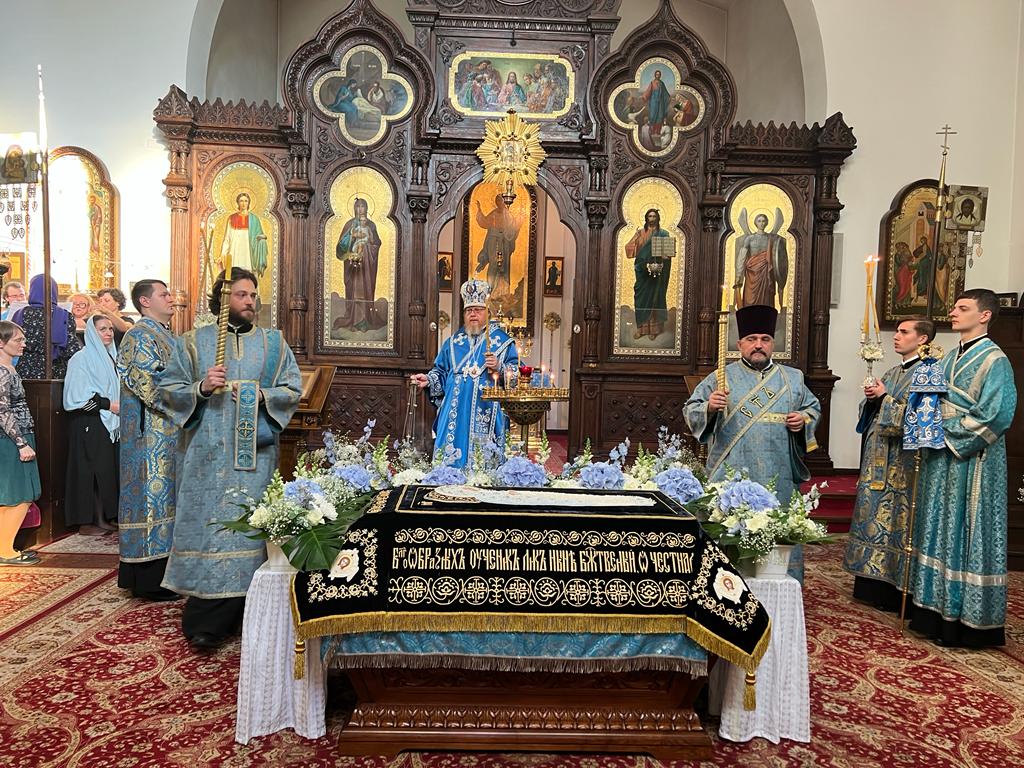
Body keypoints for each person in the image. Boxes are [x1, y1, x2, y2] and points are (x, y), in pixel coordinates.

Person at [159, 267, 301, 651]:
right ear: (222, 300)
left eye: (253, 295)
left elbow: (292, 388)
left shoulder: (273, 344)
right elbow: (167, 391)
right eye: (241, 295)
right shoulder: (193, 343)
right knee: (211, 533)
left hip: (254, 458)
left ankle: (250, 613)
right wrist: (202, 387)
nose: (250, 301)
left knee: (250, 531)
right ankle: (205, 621)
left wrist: (263, 396)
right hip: (205, 458)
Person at [910, 289, 1017, 647]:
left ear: (985, 316)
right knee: (939, 525)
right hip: (941, 456)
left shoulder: (995, 360)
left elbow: (997, 414)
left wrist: (945, 430)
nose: (953, 313)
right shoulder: (946, 358)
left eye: (963, 308)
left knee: (968, 529)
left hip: (973, 459)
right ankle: (933, 611)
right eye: (954, 307)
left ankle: (965, 622)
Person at [683, 304, 820, 580]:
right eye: (751, 339)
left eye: (765, 339)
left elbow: (812, 408)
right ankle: (726, 585)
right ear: (740, 344)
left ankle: (778, 583)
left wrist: (803, 420)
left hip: (779, 470)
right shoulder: (720, 377)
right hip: (732, 471)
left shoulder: (793, 378)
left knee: (777, 532)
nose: (758, 345)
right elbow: (690, 409)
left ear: (772, 344)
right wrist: (709, 407)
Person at [843, 317, 935, 610]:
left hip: (903, 465)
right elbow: (872, 411)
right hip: (877, 459)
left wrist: (884, 399)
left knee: (897, 521)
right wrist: (872, 400)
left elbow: (920, 420)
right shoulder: (893, 371)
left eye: (904, 332)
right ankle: (870, 586)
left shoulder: (928, 373)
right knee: (871, 515)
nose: (896, 336)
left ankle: (894, 590)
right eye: (896, 331)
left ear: (922, 339)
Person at [117, 279, 181, 601]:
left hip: (171, 433)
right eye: (164, 294)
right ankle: (148, 580)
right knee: (149, 501)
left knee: (167, 500)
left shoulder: (167, 335)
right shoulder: (139, 335)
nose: (171, 298)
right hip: (149, 437)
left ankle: (168, 574)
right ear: (145, 301)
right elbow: (150, 385)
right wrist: (193, 396)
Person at [411, 279, 518, 468]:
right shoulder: (453, 342)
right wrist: (428, 379)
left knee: (484, 466)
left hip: (486, 410)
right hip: (455, 412)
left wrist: (500, 367)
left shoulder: (502, 342)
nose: (473, 314)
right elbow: (440, 371)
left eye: (478, 309)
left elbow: (518, 375)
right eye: (469, 310)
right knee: (450, 463)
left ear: (488, 312)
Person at [63, 315, 120, 535]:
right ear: (91, 332)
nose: (108, 333)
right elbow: (76, 398)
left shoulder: (110, 357)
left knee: (104, 471)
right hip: (88, 421)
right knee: (89, 472)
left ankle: (103, 517)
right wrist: (109, 405)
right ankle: (86, 522)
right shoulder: (81, 358)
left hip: (107, 421)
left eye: (110, 329)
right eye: (102, 329)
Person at [0, 321, 41, 566]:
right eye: (18, 340)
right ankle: (5, 550)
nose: (24, 344)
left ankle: (6, 547)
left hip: (15, 436)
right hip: (12, 438)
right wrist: (21, 443)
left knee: (14, 495)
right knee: (21, 494)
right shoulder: (2, 371)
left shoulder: (8, 368)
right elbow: (2, 410)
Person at [12, 274, 82, 380]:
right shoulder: (63, 315)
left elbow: (11, 344)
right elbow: (71, 348)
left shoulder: (20, 314)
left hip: (25, 370)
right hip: (54, 371)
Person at [334, 197, 383, 332]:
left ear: (367, 209)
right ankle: (353, 320)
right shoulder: (349, 225)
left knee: (365, 291)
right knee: (353, 291)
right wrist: (352, 237)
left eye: (363, 206)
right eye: (358, 206)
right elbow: (340, 247)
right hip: (353, 265)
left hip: (367, 266)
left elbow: (377, 243)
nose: (360, 209)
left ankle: (365, 321)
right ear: (354, 208)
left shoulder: (371, 225)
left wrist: (368, 245)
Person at [624, 208, 674, 340]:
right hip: (642, 271)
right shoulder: (640, 233)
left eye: (654, 216)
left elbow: (668, 254)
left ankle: (654, 329)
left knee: (655, 298)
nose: (652, 218)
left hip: (657, 271)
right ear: (646, 218)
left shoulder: (663, 234)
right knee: (641, 298)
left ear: (658, 218)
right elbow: (629, 249)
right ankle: (641, 328)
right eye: (650, 216)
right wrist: (635, 239)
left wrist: (664, 257)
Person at [475, 194, 522, 309]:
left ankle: (503, 293)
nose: (499, 204)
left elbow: (514, 227)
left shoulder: (508, 215)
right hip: (493, 240)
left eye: (500, 201)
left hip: (504, 242)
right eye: (497, 202)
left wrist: (520, 216)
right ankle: (489, 292)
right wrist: (479, 211)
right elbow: (484, 222)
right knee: (493, 265)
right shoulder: (494, 213)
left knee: (504, 266)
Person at [735, 211, 788, 310]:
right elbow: (742, 256)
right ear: (755, 223)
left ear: (767, 223)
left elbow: (779, 257)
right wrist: (738, 274)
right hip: (752, 273)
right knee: (749, 299)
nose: (761, 223)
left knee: (766, 299)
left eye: (763, 221)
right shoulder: (750, 239)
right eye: (759, 221)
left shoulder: (771, 238)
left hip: (766, 272)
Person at [220, 192, 268, 278]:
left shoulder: (254, 219)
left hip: (249, 252)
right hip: (235, 251)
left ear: (249, 203)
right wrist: (223, 253)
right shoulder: (232, 218)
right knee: (235, 275)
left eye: (246, 201)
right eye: (241, 201)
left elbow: (260, 235)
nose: (243, 203)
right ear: (237, 203)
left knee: (248, 275)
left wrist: (262, 238)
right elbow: (227, 238)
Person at [641, 69, 671, 144]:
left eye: (659, 74)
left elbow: (665, 92)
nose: (658, 75)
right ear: (655, 75)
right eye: (657, 74)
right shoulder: (652, 83)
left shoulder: (662, 83)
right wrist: (644, 96)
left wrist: (668, 97)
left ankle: (658, 131)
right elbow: (648, 91)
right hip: (653, 102)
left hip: (660, 103)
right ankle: (652, 131)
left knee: (660, 116)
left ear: (660, 75)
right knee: (652, 116)